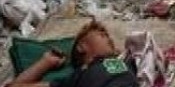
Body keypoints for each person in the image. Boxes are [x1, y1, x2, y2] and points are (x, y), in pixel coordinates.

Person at [8, 20, 139, 87]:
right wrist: (46, 62)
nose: (109, 38)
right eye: (101, 35)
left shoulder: (127, 61)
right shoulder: (79, 77)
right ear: (81, 47)